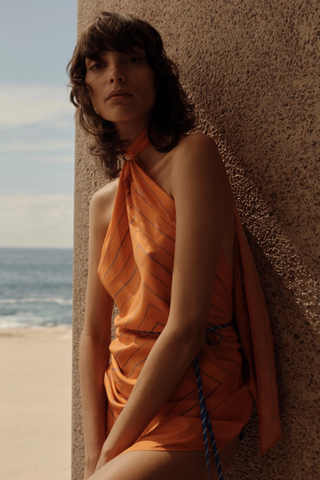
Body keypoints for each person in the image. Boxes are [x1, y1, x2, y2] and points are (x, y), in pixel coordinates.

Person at [67, 11, 281, 480]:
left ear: (157, 76)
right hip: (123, 393)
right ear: (87, 92)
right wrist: (92, 449)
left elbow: (186, 327)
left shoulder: (193, 156)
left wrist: (112, 451)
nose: (116, 73)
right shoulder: (103, 203)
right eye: (97, 65)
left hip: (194, 390)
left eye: (133, 59)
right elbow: (94, 334)